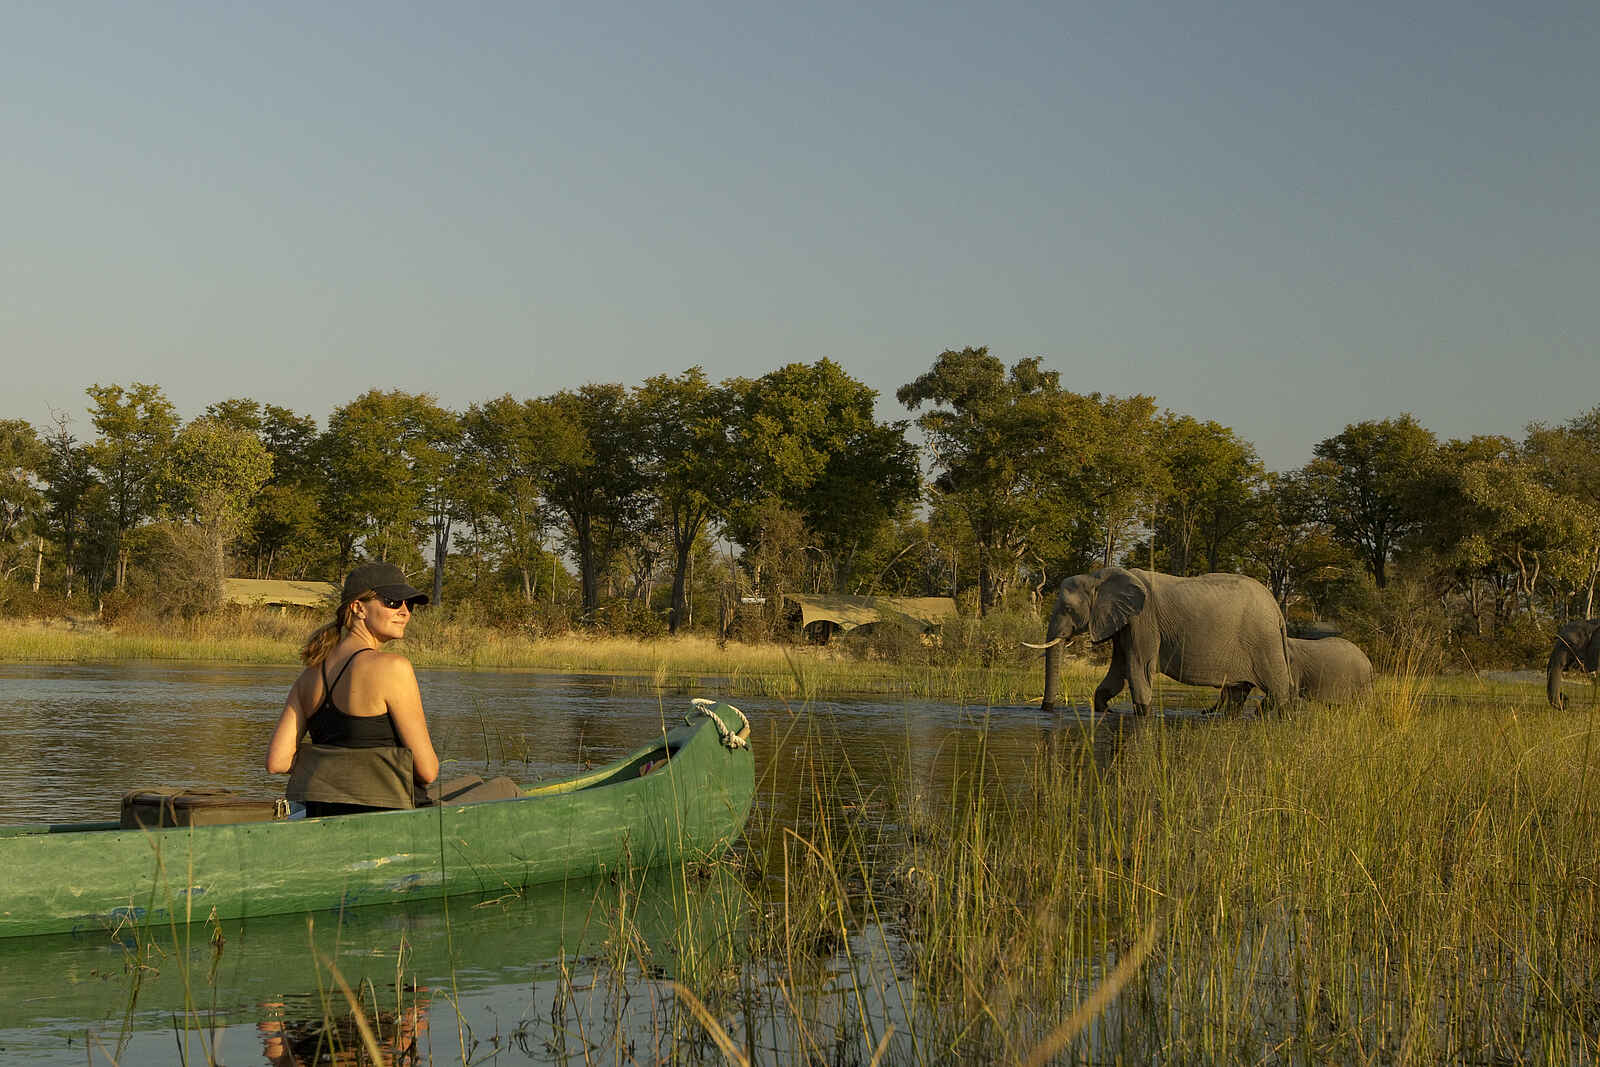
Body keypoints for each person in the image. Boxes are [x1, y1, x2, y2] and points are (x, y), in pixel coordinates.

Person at [267, 563, 440, 816]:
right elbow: (428, 771)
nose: (405, 612)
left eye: (409, 604)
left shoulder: (309, 676)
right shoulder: (393, 668)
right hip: (392, 813)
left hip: (324, 812)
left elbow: (278, 762)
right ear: (358, 607)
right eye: (392, 602)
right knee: (504, 788)